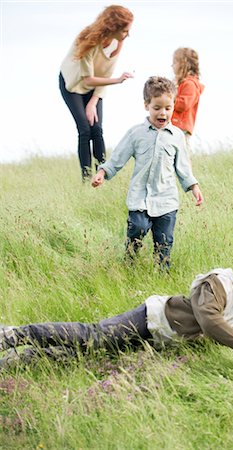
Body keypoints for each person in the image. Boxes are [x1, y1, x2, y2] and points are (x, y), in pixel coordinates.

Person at [0, 246, 233, 370]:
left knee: (92, 355)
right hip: (150, 319)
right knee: (94, 337)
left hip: (161, 342)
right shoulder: (218, 283)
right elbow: (210, 321)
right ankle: (16, 334)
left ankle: (21, 361)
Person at [91, 76, 204, 268]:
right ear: (146, 106)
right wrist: (102, 172)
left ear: (173, 106)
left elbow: (183, 167)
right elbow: (118, 157)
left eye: (168, 108)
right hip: (139, 198)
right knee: (138, 228)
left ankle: (162, 275)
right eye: (157, 107)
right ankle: (129, 263)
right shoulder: (136, 133)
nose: (163, 113)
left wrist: (194, 187)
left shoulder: (176, 136)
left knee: (164, 241)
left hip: (166, 200)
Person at [59, 5, 134, 181]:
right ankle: (86, 179)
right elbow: (87, 79)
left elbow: (106, 72)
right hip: (73, 84)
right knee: (85, 130)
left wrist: (93, 102)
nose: (127, 34)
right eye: (125, 30)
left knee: (97, 129)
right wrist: (118, 80)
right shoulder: (87, 41)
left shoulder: (117, 42)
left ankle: (102, 176)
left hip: (95, 85)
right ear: (113, 27)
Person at [171, 47, 205, 153]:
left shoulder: (190, 84)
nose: (172, 66)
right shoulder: (183, 84)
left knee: (181, 157)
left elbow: (183, 105)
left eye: (175, 62)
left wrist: (169, 98)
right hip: (176, 127)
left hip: (180, 127)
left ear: (183, 64)